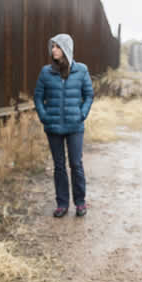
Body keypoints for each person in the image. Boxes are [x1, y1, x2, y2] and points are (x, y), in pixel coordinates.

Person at [34, 33, 94, 218]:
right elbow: (38, 96)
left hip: (75, 126)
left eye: (57, 47)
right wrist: (44, 116)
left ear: (66, 49)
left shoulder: (81, 70)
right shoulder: (46, 72)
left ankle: (80, 203)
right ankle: (62, 204)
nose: (53, 50)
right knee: (59, 166)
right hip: (53, 127)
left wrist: (82, 114)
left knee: (76, 164)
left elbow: (89, 95)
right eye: (52, 47)